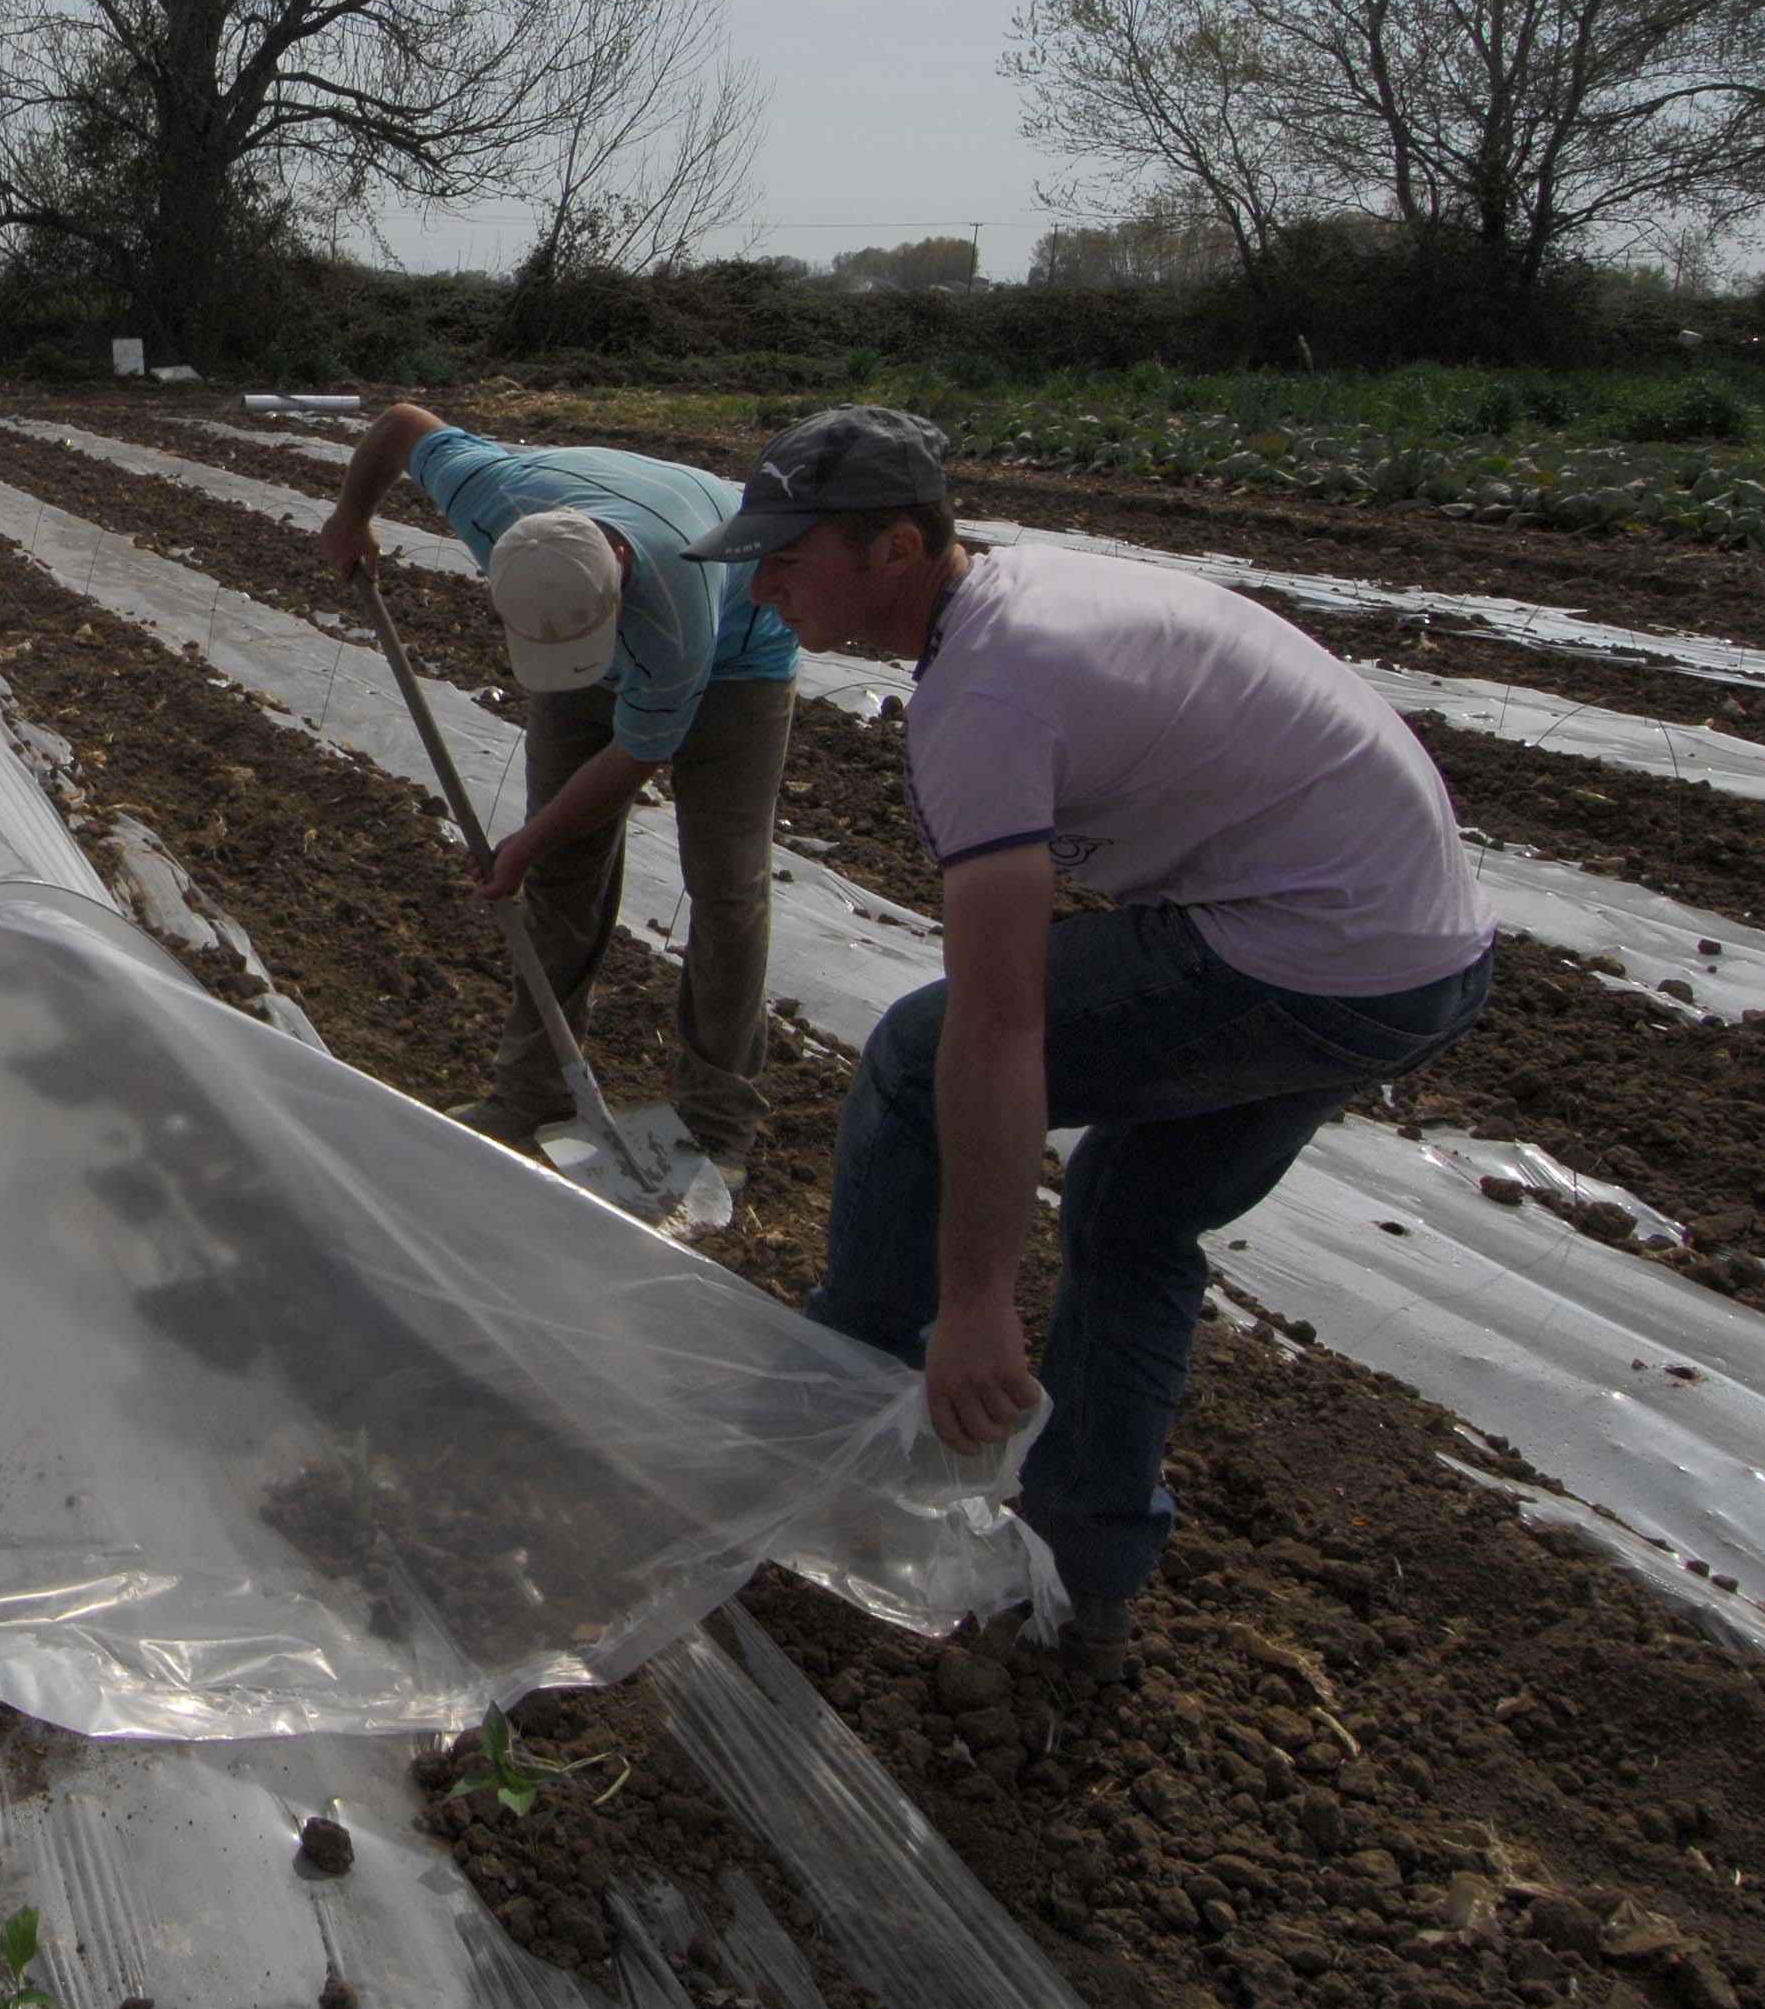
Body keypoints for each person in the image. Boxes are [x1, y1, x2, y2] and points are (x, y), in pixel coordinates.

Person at [694, 407, 1495, 1678]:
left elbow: (999, 1024)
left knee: (914, 1058)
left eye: (787, 559)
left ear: (895, 548)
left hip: (1316, 951)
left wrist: (972, 1306)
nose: (764, 584)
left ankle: (814, 1444)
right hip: (1417, 953)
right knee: (1131, 1212)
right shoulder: (1007, 613)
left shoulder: (988, 698)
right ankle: (1081, 1586)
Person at [317, 403, 799, 1174]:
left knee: (725, 884)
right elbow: (404, 424)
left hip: (744, 649)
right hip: (588, 598)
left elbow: (633, 760)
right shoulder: (491, 497)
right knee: (560, 873)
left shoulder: (678, 617)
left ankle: (715, 1123)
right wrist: (351, 514)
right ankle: (533, 1090)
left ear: (614, 593)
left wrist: (521, 843)